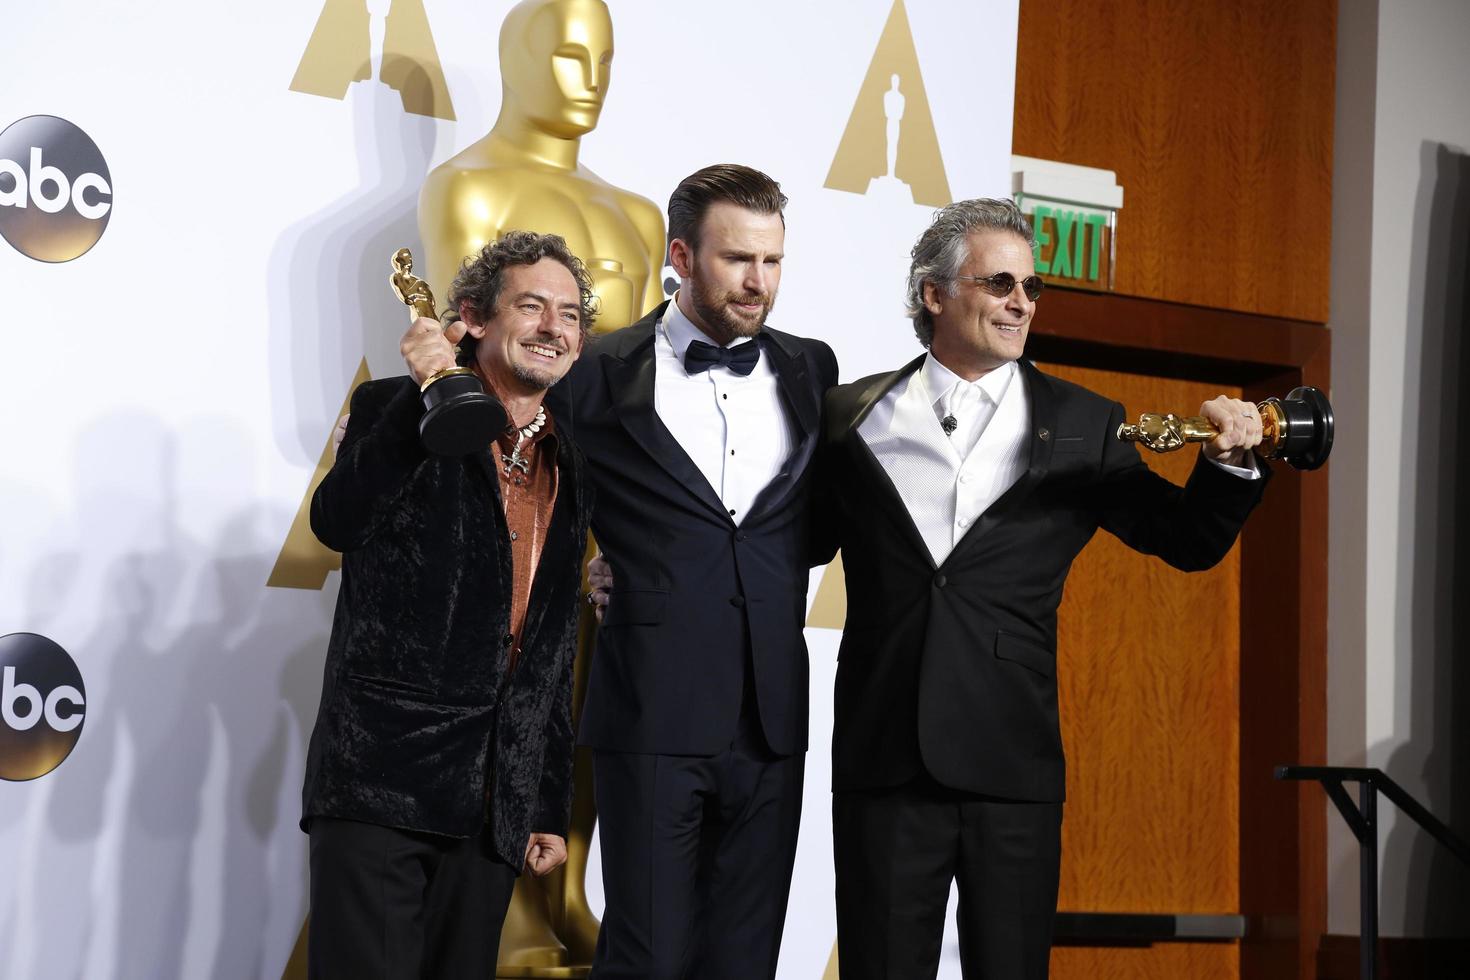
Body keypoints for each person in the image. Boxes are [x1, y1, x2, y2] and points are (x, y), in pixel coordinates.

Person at [814, 198, 1269, 979]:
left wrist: (1229, 463)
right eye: (999, 283)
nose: (1022, 302)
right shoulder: (853, 415)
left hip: (1012, 766)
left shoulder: (1086, 425)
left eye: (1032, 287)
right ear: (934, 295)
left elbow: (1185, 539)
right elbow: (784, 541)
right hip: (884, 761)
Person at [550, 164, 839, 980]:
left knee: (746, 961)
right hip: (651, 709)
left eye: (773, 261)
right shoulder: (598, 373)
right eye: (737, 259)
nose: (759, 282)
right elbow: (547, 513)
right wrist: (587, 569)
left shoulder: (813, 369)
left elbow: (811, 527)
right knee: (646, 957)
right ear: (680, 254)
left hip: (772, 717)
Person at [301, 231, 596, 978]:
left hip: (491, 801)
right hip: (381, 785)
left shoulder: (573, 461)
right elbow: (338, 521)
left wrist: (542, 798)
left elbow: (552, 647)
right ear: (472, 318)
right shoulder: (390, 411)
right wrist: (422, 397)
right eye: (530, 306)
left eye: (568, 314)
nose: (551, 327)